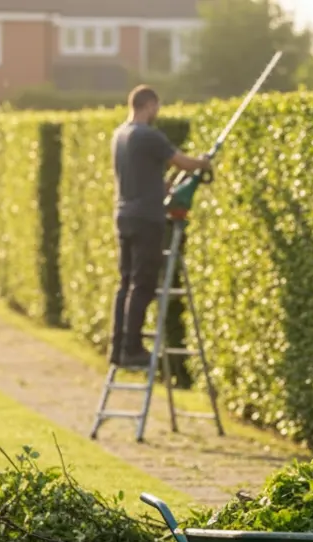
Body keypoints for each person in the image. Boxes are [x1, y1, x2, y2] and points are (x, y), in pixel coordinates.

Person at [110, 85, 211, 369]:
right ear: (149, 105)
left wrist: (161, 186)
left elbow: (139, 175)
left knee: (125, 284)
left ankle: (117, 347)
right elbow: (182, 162)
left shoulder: (120, 135)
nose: (158, 112)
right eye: (157, 107)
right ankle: (132, 349)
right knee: (143, 285)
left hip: (124, 214)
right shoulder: (149, 136)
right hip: (146, 219)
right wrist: (203, 162)